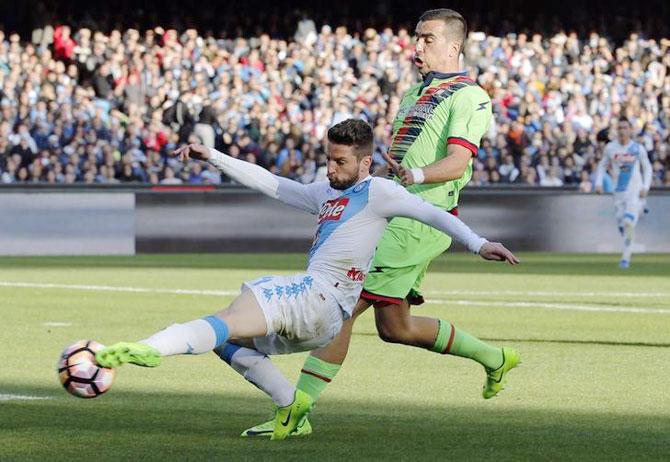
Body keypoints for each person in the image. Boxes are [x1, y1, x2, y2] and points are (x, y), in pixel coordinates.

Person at [95, 119, 519, 440]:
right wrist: (216, 157)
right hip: (321, 319)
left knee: (232, 314)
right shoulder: (325, 192)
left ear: (365, 162)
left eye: (341, 162)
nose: (331, 169)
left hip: (322, 298)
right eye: (329, 159)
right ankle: (290, 408)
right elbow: (274, 184)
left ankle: (148, 349)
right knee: (226, 340)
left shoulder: (379, 193)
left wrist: (478, 243)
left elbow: (434, 214)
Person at [243, 8, 516, 438]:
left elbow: (458, 161)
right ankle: (495, 358)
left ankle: (296, 413)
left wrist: (417, 176)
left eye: (427, 39)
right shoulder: (413, 94)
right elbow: (400, 166)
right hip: (397, 214)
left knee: (341, 307)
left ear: (454, 46)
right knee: (396, 328)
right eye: (416, 37)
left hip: (417, 224)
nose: (417, 47)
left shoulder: (470, 97)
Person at [595, 117, 652, 268]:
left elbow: (647, 168)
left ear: (630, 130)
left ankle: (625, 259)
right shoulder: (611, 148)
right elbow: (602, 166)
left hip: (634, 190)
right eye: (619, 128)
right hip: (618, 192)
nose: (622, 131)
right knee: (622, 224)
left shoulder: (637, 148)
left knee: (628, 222)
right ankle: (641, 208)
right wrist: (599, 183)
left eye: (625, 128)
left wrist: (645, 186)